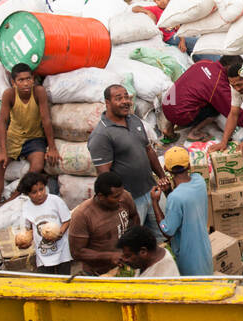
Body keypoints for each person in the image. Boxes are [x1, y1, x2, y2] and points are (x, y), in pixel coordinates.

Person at [88, 83, 165, 235]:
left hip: (151, 191)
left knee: (162, 235)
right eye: (118, 98)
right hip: (130, 201)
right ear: (107, 103)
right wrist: (120, 202)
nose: (125, 101)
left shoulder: (134, 120)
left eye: (126, 97)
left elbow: (148, 150)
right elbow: (104, 175)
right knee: (134, 242)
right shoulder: (102, 135)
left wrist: (162, 176)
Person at [0, 63, 60, 208]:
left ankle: (12, 199)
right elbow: (3, 122)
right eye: (21, 80)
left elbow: (46, 120)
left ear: (33, 79)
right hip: (14, 137)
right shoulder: (9, 94)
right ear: (13, 82)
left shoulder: (38, 92)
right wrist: (3, 151)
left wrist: (52, 147)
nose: (26, 83)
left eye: (28, 79)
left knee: (37, 166)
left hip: (35, 138)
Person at [161, 57, 243, 147]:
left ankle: (168, 128)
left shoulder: (204, 62)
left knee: (187, 95)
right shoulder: (218, 83)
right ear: (229, 68)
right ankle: (194, 133)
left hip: (167, 104)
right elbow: (232, 111)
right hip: (181, 116)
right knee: (216, 108)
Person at [150, 147, 213, 277]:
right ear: (189, 165)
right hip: (204, 250)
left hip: (188, 257)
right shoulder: (199, 180)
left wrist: (155, 203)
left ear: (166, 169)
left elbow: (168, 231)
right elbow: (184, 203)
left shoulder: (175, 198)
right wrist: (168, 191)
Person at [68, 171, 140, 275]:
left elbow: (134, 217)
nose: (120, 199)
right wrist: (109, 256)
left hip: (124, 268)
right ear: (101, 196)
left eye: (121, 193)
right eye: (115, 197)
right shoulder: (82, 215)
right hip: (97, 274)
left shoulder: (124, 196)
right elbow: (77, 252)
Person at [17, 171, 72, 275]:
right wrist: (25, 241)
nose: (39, 194)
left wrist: (60, 233)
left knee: (64, 280)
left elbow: (66, 220)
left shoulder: (55, 201)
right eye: (34, 192)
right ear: (27, 194)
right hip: (42, 255)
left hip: (62, 251)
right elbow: (27, 229)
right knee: (47, 281)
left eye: (41, 189)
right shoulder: (26, 207)